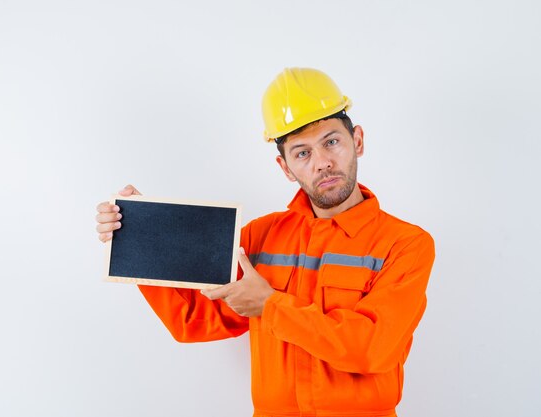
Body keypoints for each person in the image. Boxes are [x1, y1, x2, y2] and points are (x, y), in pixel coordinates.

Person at [95, 68, 435, 417]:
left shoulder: (405, 244)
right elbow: (193, 319)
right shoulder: (261, 237)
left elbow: (372, 348)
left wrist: (270, 306)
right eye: (302, 153)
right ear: (285, 167)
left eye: (331, 141)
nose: (323, 163)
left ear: (357, 141)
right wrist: (138, 235)